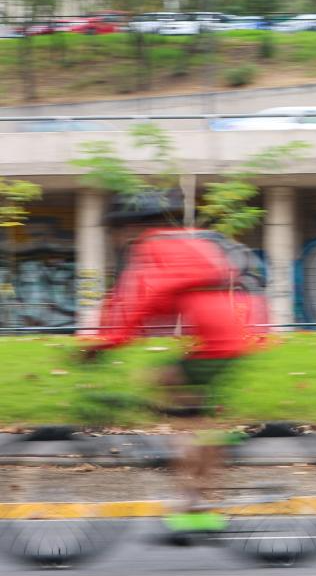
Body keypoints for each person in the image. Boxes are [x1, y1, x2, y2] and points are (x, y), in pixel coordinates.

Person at [80, 190, 264, 533]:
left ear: (130, 227)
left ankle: (196, 498)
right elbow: (152, 300)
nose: (114, 237)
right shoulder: (182, 241)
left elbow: (140, 300)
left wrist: (104, 344)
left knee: (178, 408)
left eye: (115, 229)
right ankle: (198, 498)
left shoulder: (153, 247)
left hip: (221, 336)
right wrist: (116, 333)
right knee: (189, 409)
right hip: (239, 326)